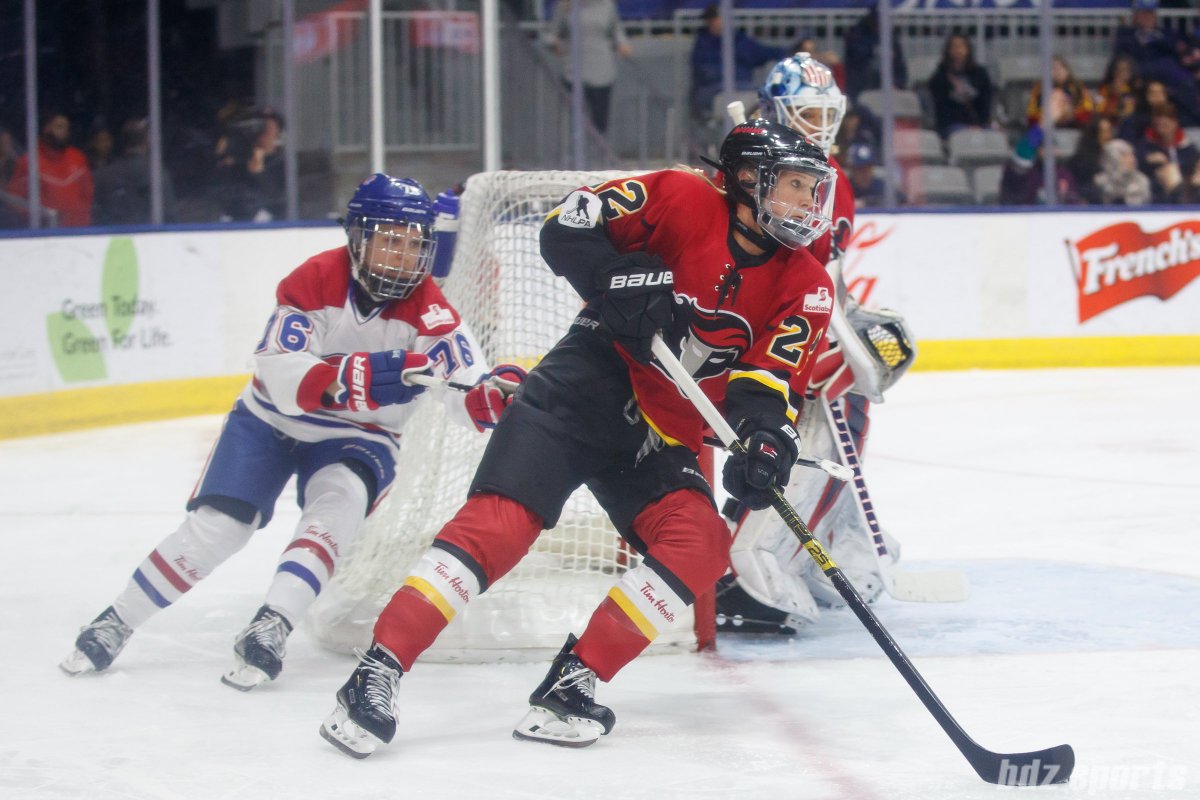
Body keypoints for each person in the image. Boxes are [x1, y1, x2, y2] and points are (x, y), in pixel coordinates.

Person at [318, 120, 838, 757]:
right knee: (499, 528)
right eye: (795, 187)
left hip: (660, 428)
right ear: (749, 179)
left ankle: (572, 683)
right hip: (580, 389)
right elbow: (567, 225)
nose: (809, 205)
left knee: (699, 545)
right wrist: (615, 278)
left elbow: (768, 385)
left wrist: (765, 443)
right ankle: (378, 672)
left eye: (815, 191)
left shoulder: (807, 282)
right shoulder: (679, 195)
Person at [60, 174, 524, 690]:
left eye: (415, 243)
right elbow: (283, 378)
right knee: (220, 527)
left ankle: (272, 624)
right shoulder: (314, 279)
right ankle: (117, 619)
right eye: (391, 239)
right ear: (358, 238)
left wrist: (491, 398)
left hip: (361, 436)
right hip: (269, 420)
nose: (403, 256)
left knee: (337, 508)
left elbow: (466, 391)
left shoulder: (433, 312)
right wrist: (360, 376)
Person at [715, 53, 915, 635]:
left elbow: (819, 279)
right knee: (829, 416)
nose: (820, 126)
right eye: (806, 112)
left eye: (828, 113)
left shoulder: (831, 181)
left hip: (781, 327)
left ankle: (839, 557)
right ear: (776, 110)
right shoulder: (749, 168)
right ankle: (747, 569)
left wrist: (848, 329)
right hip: (735, 332)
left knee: (835, 408)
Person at [689, 4, 786, 124]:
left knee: (766, 99)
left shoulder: (738, 40)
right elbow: (707, 74)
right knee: (748, 103)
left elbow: (762, 53)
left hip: (746, 89)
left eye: (717, 18)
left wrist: (793, 51)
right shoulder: (703, 45)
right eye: (711, 19)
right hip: (714, 93)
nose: (714, 22)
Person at [547, 0, 632, 134]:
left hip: (602, 69)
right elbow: (551, 34)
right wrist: (554, 44)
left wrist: (623, 44)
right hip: (573, 70)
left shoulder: (607, 5)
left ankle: (597, 152)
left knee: (600, 121)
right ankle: (573, 152)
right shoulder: (564, 5)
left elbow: (617, 31)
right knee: (574, 119)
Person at [1113, 0, 1200, 126]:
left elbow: (1185, 54)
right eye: (1143, 14)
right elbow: (1123, 59)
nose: (1147, 17)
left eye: (1150, 13)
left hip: (1174, 79)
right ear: (1135, 15)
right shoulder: (1126, 36)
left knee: (1187, 81)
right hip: (1144, 77)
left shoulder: (1169, 34)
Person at [4, 112, 94, 227]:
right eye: (59, 127)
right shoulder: (30, 162)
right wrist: (39, 217)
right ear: (46, 129)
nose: (64, 132)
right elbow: (15, 201)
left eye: (66, 128)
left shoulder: (78, 158)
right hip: (45, 233)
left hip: (79, 232)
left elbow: (88, 194)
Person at [93, 118, 178, 225]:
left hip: (112, 235)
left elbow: (96, 216)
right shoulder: (156, 174)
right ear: (146, 142)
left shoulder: (103, 175)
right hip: (149, 237)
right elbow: (169, 214)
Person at [928, 33, 993, 139]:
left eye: (962, 46)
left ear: (968, 49)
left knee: (995, 136)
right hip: (951, 124)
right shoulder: (940, 76)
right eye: (954, 46)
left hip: (978, 124)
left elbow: (985, 103)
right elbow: (942, 108)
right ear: (948, 50)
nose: (958, 50)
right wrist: (967, 127)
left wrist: (979, 124)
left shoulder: (980, 74)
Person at [1133, 102, 1200, 203]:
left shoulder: (1188, 147)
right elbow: (1138, 165)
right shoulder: (1146, 146)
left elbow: (1193, 165)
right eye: (1159, 124)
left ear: (1175, 123)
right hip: (1157, 187)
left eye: (1166, 124)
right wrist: (1148, 160)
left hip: (1187, 184)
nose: (1162, 128)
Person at [842, 4, 908, 103]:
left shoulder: (891, 38)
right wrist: (874, 50)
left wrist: (897, 83)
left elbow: (899, 66)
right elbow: (856, 62)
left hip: (890, 87)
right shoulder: (857, 35)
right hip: (862, 85)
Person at [1025, 56, 1095, 128]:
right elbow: (1032, 119)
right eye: (1053, 68)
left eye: (1061, 67)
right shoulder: (1038, 90)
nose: (1058, 71)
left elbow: (1087, 115)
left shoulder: (1079, 89)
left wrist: (1069, 115)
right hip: (1046, 132)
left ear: (1067, 71)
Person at [1067, 116, 1117, 204]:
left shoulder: (1116, 155)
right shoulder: (1081, 161)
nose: (1109, 136)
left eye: (1110, 131)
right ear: (1095, 134)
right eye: (1104, 132)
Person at [1093, 138, 1153, 205]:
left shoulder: (1142, 181)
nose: (1132, 160)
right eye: (1124, 156)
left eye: (1132, 155)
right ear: (1112, 158)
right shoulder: (1099, 183)